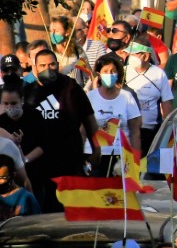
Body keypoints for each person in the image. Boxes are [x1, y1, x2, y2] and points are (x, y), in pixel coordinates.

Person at [26, 47, 99, 209]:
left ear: (57, 65)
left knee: (73, 207)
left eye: (51, 65)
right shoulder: (28, 92)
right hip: (40, 162)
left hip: (70, 158)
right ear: (35, 67)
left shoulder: (71, 88)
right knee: (46, 208)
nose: (47, 69)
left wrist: (97, 147)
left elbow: (89, 119)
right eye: (42, 65)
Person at [86, 55, 142, 174]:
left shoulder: (127, 97)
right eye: (105, 71)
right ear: (99, 74)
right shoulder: (90, 97)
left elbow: (135, 131)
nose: (109, 74)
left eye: (113, 71)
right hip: (95, 156)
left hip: (120, 157)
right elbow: (83, 129)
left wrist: (136, 160)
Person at [124, 41, 172, 153]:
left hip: (150, 130)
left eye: (134, 54)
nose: (130, 57)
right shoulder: (124, 72)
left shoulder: (159, 74)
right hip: (128, 129)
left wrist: (168, 128)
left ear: (146, 56)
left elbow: (166, 102)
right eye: (129, 54)